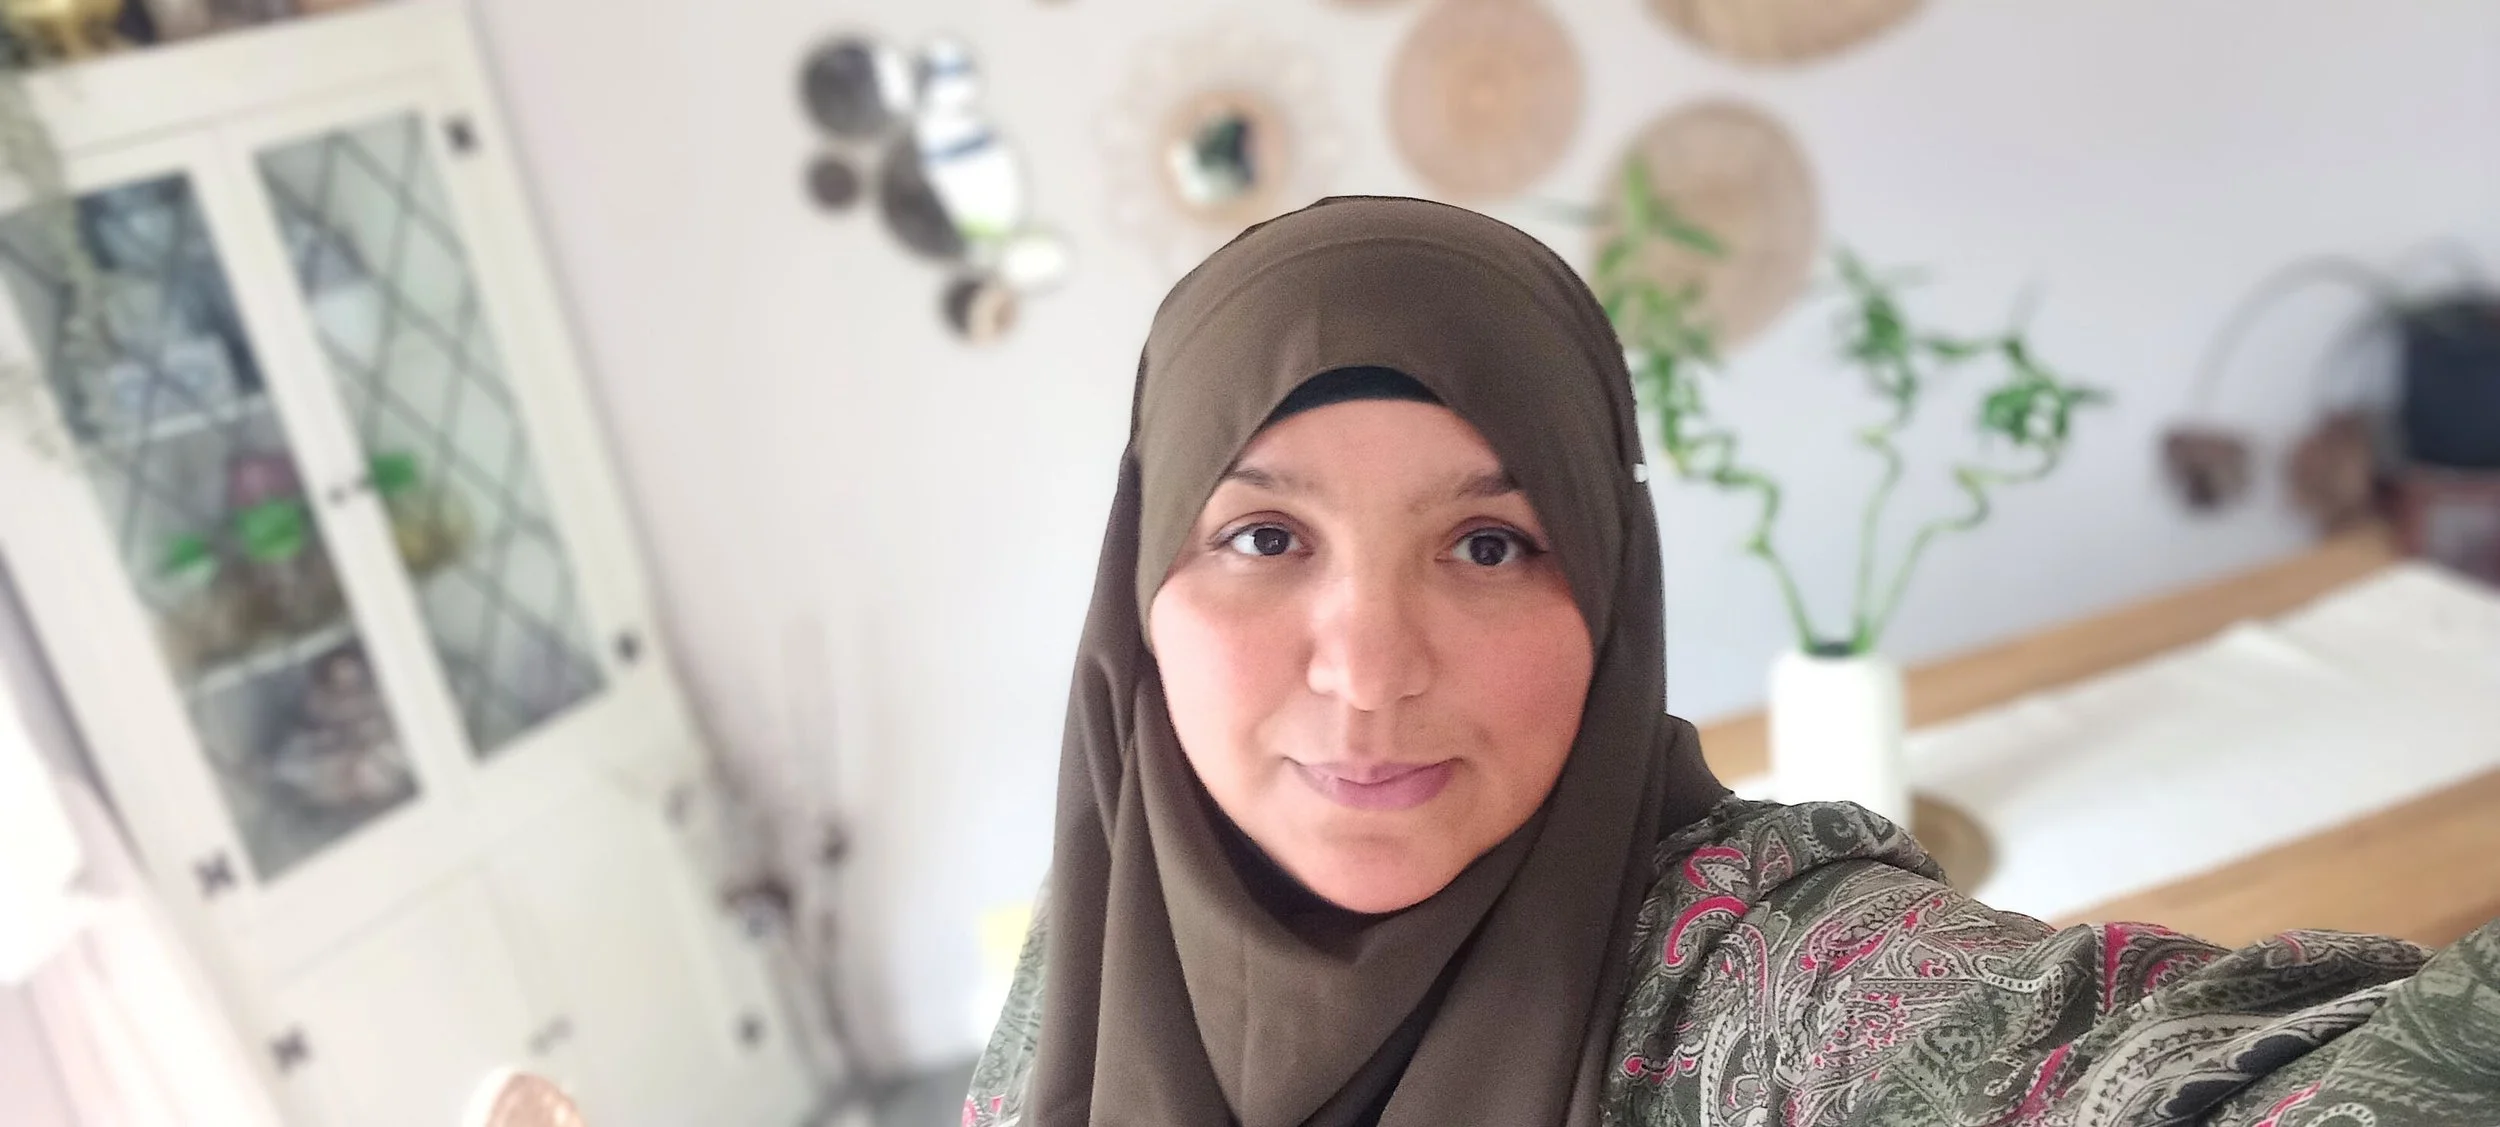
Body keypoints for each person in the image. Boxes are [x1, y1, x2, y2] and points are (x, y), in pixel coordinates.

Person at [966, 197, 2500, 1126]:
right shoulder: (1091, 940)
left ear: (1613, 595)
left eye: (1490, 544)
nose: (1367, 671)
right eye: (1263, 539)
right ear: (1139, 589)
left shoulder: (1752, 992)